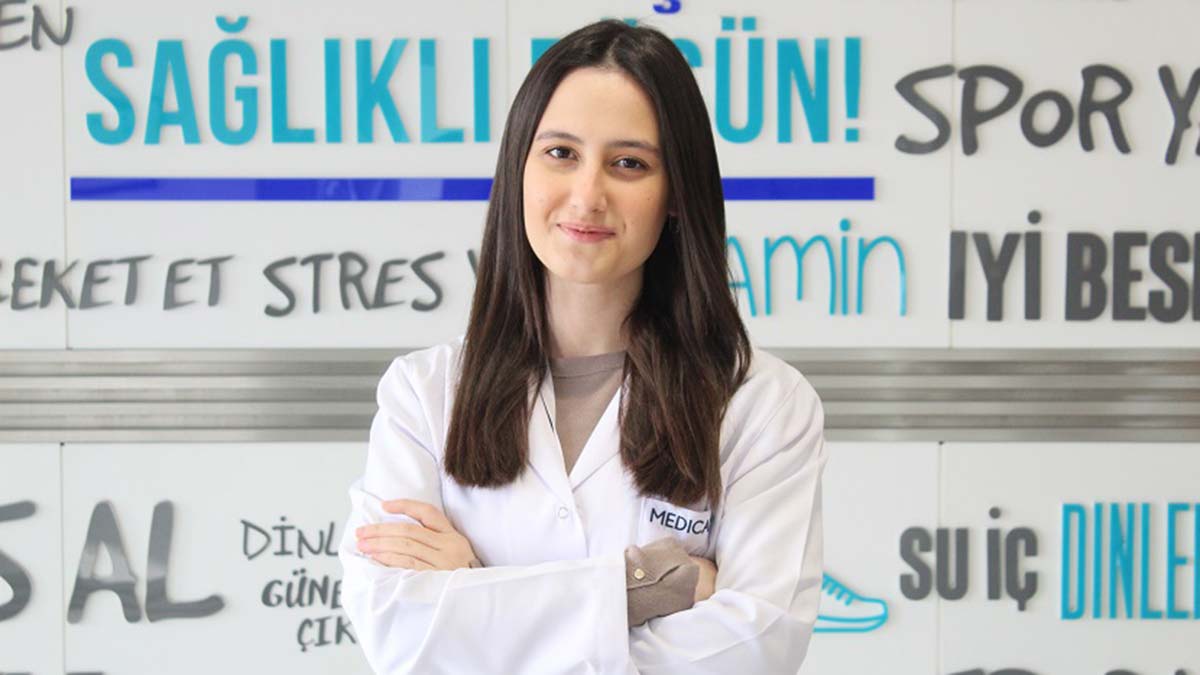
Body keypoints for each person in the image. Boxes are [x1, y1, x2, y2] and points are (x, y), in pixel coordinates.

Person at [338, 18, 828, 674]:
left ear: (675, 193)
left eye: (629, 163)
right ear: (519, 168)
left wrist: (476, 588)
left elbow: (753, 647)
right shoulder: (424, 395)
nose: (587, 195)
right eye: (561, 153)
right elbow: (400, 632)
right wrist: (645, 585)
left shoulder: (762, 404)